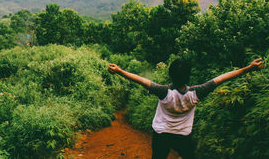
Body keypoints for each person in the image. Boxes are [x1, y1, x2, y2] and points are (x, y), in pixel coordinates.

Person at [107, 58, 264, 159]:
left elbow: (141, 80)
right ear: (188, 76)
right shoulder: (197, 93)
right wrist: (248, 68)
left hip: (161, 134)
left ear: (170, 75)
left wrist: (119, 71)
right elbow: (222, 78)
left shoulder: (164, 92)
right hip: (183, 136)